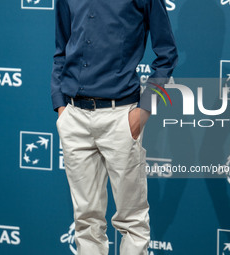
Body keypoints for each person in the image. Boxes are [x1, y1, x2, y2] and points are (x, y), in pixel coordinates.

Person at [51, 0, 178, 254]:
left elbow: (167, 54)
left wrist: (143, 111)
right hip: (73, 116)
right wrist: (60, 106)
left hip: (121, 116)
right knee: (85, 221)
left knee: (132, 221)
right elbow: (61, 50)